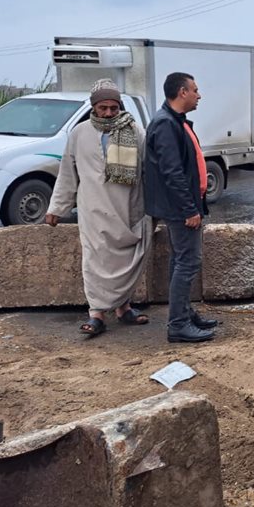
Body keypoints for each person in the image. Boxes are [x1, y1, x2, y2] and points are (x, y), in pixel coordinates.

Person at [45, 78, 151, 337]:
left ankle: (124, 308)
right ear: (93, 107)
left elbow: (148, 170)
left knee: (127, 259)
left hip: (127, 207)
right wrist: (56, 208)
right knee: (93, 259)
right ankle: (96, 314)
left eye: (113, 108)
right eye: (103, 108)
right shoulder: (79, 134)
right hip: (92, 208)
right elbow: (68, 174)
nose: (109, 113)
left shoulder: (135, 132)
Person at [143, 71, 219, 343]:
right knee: (188, 262)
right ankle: (177, 325)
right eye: (195, 90)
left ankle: (185, 314)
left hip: (183, 205)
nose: (200, 95)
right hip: (179, 208)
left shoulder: (175, 120)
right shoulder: (165, 124)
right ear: (182, 92)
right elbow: (172, 172)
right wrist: (189, 210)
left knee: (181, 261)